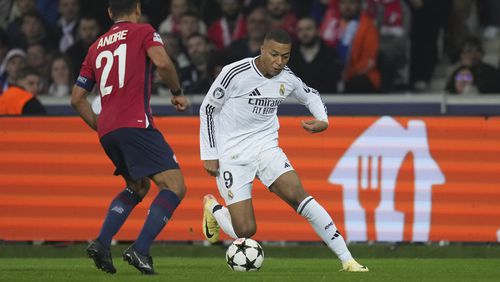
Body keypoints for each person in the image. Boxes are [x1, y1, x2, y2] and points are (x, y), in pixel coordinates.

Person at [199, 28, 368, 272]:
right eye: (274, 55)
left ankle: (348, 260)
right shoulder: (234, 73)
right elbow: (208, 110)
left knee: (301, 197)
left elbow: (310, 95)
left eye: (285, 56)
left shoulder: (286, 77)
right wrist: (209, 153)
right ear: (262, 50)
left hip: (266, 148)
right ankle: (214, 209)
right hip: (232, 154)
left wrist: (323, 119)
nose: (279, 62)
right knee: (246, 231)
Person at [71, 0, 189, 275]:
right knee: (174, 186)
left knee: (138, 187)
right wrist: (176, 91)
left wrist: (101, 127)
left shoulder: (95, 47)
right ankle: (140, 249)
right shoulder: (144, 31)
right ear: (137, 9)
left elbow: (77, 99)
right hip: (135, 123)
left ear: (110, 13)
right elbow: (161, 62)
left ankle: (101, 242)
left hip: (107, 129)